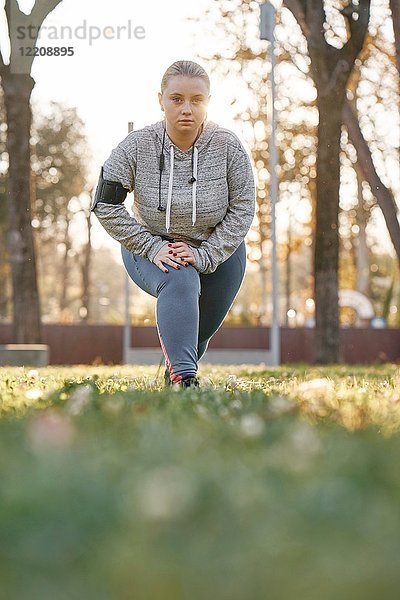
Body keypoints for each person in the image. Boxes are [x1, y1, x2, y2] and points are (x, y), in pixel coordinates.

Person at [91, 60, 256, 388]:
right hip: (149, 246)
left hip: (218, 248)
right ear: (161, 100)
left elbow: (243, 208)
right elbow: (105, 204)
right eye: (177, 98)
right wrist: (153, 247)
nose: (186, 109)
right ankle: (184, 379)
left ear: (208, 101)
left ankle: (177, 370)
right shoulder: (136, 146)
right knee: (180, 282)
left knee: (199, 329)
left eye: (197, 100)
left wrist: (206, 254)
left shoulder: (229, 146)